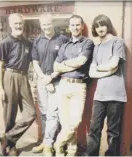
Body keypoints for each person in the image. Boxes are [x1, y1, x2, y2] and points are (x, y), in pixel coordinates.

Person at [53, 14, 94, 156]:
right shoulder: (64, 46)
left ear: (82, 26)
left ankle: (57, 144)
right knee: (65, 124)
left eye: (78, 25)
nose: (75, 27)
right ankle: (70, 151)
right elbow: (55, 66)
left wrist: (64, 64)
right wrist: (69, 66)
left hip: (78, 87)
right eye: (72, 25)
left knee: (75, 121)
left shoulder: (87, 43)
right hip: (63, 85)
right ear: (69, 27)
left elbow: (81, 61)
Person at [86, 14, 127, 156]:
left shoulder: (118, 41)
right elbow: (91, 73)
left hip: (116, 94)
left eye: (102, 25)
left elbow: (114, 63)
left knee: (113, 131)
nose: (100, 28)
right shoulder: (97, 48)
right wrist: (107, 71)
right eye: (97, 26)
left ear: (108, 25)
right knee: (94, 129)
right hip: (100, 95)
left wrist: (100, 67)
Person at [0, 13, 36, 156]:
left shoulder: (28, 43)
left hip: (24, 78)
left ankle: (7, 137)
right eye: (16, 24)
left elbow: (34, 63)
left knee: (31, 113)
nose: (19, 26)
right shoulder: (5, 43)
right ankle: (11, 147)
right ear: (10, 25)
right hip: (10, 76)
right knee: (10, 114)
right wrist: (0, 87)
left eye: (20, 23)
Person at [30, 13, 69, 156]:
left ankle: (52, 144)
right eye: (43, 24)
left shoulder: (63, 39)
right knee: (45, 114)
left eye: (48, 23)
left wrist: (52, 77)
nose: (46, 27)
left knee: (55, 114)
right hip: (42, 81)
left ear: (53, 23)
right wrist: (44, 78)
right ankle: (46, 143)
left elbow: (65, 62)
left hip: (57, 81)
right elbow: (35, 62)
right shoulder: (37, 41)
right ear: (41, 26)